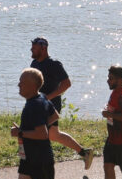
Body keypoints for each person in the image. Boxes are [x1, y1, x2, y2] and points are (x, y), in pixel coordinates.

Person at [29, 37, 93, 169]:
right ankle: (84, 153)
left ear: (43, 48)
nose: (31, 49)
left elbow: (66, 84)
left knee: (38, 134)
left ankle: (39, 166)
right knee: (54, 135)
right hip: (39, 105)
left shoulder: (54, 64)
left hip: (51, 106)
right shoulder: (34, 64)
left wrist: (48, 97)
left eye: (34, 48)